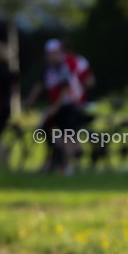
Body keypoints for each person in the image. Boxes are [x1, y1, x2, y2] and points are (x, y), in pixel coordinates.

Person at [23, 39, 95, 175]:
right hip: (57, 106)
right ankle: (56, 161)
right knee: (50, 132)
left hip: (67, 105)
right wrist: (30, 102)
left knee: (66, 136)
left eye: (55, 53)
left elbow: (65, 89)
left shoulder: (64, 67)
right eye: (50, 54)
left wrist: (55, 107)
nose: (52, 56)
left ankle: (68, 166)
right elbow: (39, 86)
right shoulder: (47, 68)